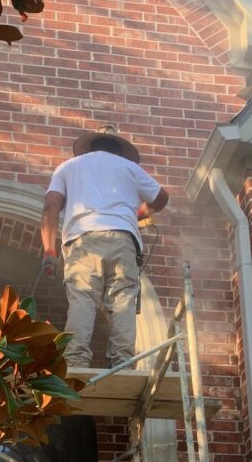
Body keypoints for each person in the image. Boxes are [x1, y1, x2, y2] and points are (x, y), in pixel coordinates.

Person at [41, 126, 169, 368]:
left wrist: (49, 250)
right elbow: (161, 198)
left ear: (90, 147)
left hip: (83, 240)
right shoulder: (130, 168)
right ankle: (123, 362)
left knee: (83, 299)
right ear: (120, 151)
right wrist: (136, 215)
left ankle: (76, 361)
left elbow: (51, 206)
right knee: (122, 301)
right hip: (123, 239)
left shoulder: (68, 167)